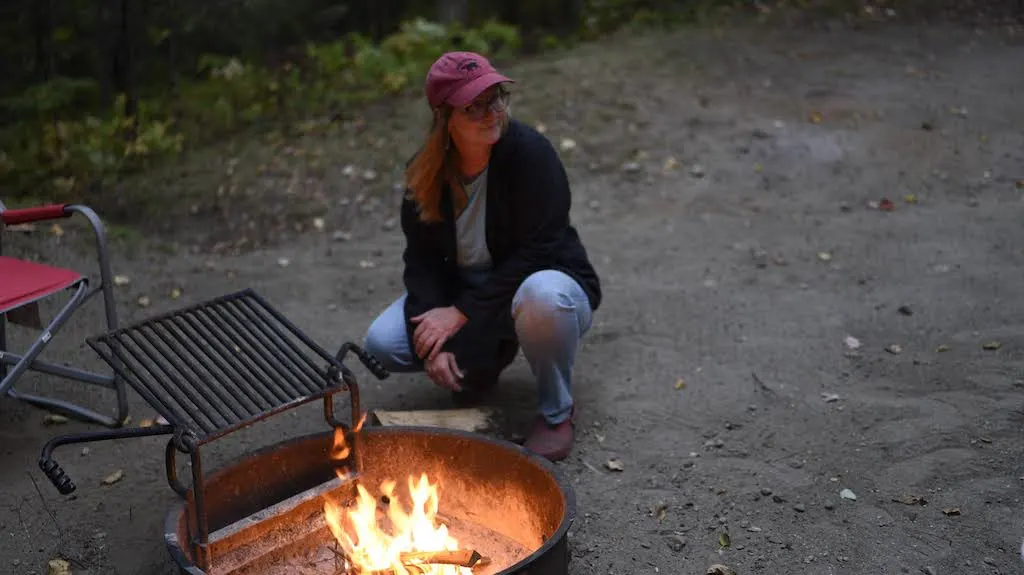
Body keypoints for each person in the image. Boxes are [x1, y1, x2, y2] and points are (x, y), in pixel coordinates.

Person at [363, 51, 602, 462]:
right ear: (445, 117)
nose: (493, 112)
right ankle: (485, 361)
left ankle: (556, 413)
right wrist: (432, 344)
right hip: (472, 289)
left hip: (544, 279)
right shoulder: (424, 173)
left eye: (497, 97)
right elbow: (420, 260)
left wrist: (462, 316)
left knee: (541, 299)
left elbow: (540, 251)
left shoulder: (531, 154)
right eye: (476, 105)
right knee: (383, 343)